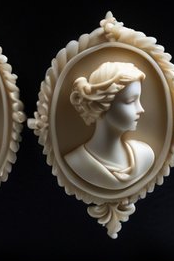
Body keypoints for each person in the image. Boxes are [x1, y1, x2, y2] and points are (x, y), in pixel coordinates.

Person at [65, 60, 154, 190]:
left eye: (138, 100)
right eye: (130, 101)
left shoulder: (144, 155)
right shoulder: (77, 161)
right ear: (102, 104)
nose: (141, 109)